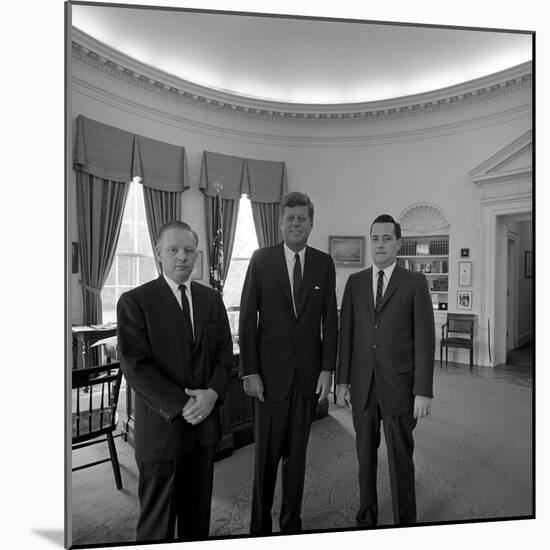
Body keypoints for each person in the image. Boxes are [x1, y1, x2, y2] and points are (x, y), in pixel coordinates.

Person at [117, 220, 233, 542]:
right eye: (173, 250)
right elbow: (136, 367)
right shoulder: (135, 301)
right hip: (161, 432)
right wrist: (185, 404)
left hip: (204, 429)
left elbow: (225, 352)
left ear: (197, 255)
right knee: (158, 524)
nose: (182, 256)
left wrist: (212, 393)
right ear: (158, 253)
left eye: (189, 250)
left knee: (197, 518)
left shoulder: (212, 300)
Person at [239, 191, 338, 535]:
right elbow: (247, 318)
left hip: (307, 379)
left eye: (302, 218)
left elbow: (330, 320)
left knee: (296, 460)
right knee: (265, 461)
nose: (296, 223)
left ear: (311, 223)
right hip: (268, 379)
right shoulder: (261, 259)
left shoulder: (324, 264)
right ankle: (259, 529)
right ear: (281, 222)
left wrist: (328, 368)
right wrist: (249, 371)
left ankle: (291, 525)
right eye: (290, 218)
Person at [336, 214, 435, 526]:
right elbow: (346, 335)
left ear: (398, 243)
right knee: (365, 457)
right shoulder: (354, 282)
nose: (380, 244)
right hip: (362, 385)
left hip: (400, 387)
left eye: (386, 238)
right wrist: (342, 381)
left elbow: (424, 340)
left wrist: (422, 390)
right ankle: (367, 516)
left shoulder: (415, 283)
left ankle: (406, 521)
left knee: (400, 458)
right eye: (375, 238)